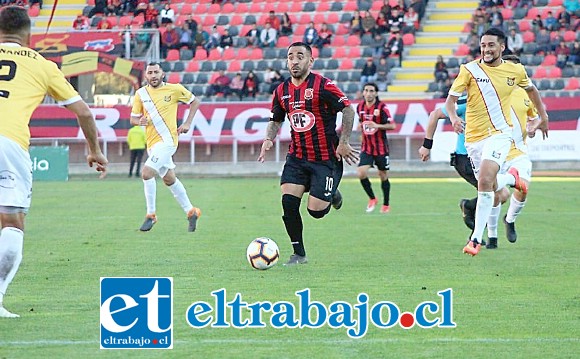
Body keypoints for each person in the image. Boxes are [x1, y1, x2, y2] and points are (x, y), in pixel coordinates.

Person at [0, 6, 108, 318]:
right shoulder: (41, 64)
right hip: (10, 143)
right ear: (29, 35)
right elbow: (84, 112)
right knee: (11, 222)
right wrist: (94, 151)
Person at [445, 28, 549, 256]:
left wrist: (543, 117)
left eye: (491, 45)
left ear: (502, 47)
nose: (486, 49)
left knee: (484, 181)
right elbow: (450, 101)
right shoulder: (469, 70)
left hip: (500, 134)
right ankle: (514, 178)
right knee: (489, 187)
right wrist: (453, 118)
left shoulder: (515, 70)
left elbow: (533, 92)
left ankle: (475, 240)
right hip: (474, 139)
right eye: (483, 45)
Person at [257, 42, 358, 265]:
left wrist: (344, 142)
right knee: (288, 203)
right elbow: (276, 119)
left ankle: (331, 194)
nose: (294, 61)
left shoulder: (323, 86)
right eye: (290, 56)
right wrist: (268, 139)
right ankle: (299, 254)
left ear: (310, 61)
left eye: (300, 56)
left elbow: (348, 110)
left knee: (316, 211)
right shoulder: (282, 91)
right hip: (297, 157)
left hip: (325, 159)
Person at [130, 62, 201, 233]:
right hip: (152, 144)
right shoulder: (141, 94)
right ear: (145, 76)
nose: (153, 75)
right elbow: (133, 118)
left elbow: (195, 101)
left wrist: (187, 123)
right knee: (169, 179)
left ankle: (151, 215)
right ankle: (191, 211)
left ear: (162, 74)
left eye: (156, 72)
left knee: (146, 173)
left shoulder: (174, 89)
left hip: (168, 141)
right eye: (150, 73)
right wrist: (139, 121)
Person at [419, 96, 478, 230]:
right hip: (465, 158)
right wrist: (426, 145)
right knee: (494, 193)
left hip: (485, 157)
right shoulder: (465, 102)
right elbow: (435, 115)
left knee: (497, 194)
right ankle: (476, 233)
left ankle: (476, 232)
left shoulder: (495, 100)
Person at [356, 83, 396, 214]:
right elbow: (361, 122)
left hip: (381, 148)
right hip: (366, 148)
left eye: (371, 91)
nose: (368, 93)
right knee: (361, 173)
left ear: (376, 93)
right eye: (366, 90)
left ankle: (386, 204)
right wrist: (360, 127)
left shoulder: (382, 107)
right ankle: (372, 198)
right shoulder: (360, 107)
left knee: (382, 175)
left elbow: (392, 126)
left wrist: (377, 125)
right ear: (363, 93)